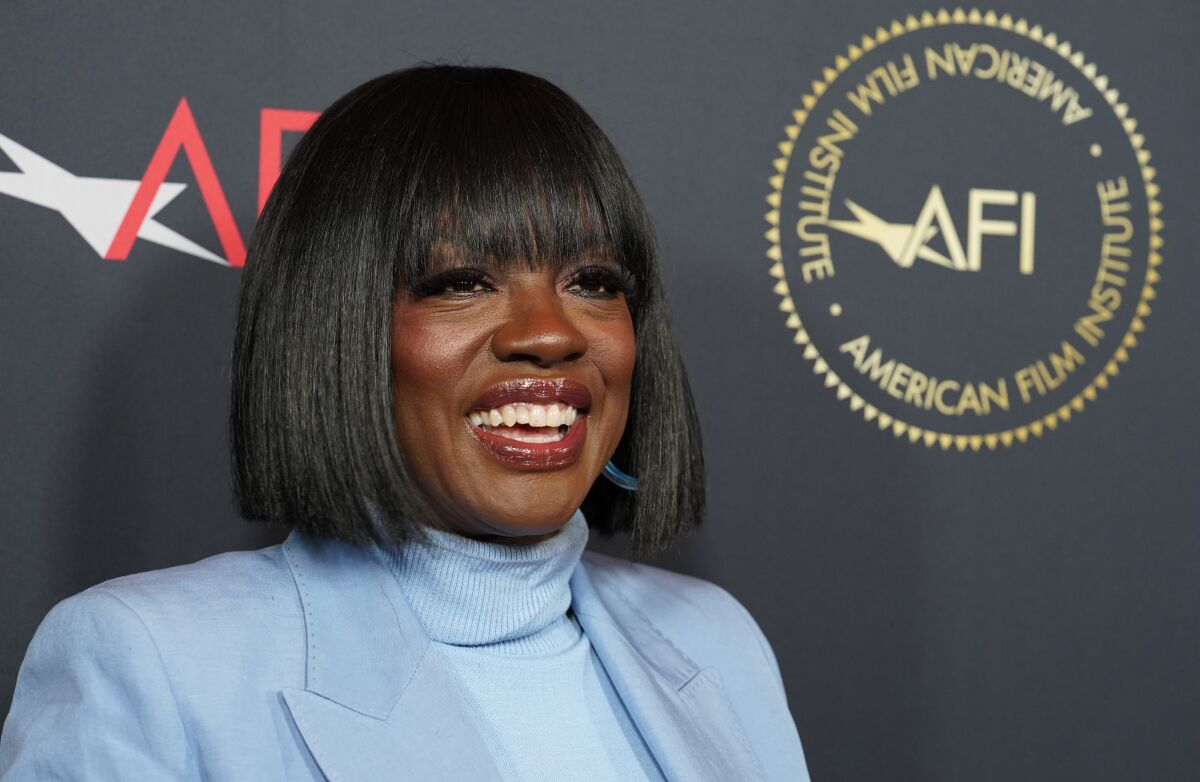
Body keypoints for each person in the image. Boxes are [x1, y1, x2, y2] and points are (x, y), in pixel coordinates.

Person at [0, 65, 810, 781]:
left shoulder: (715, 643)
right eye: (462, 280)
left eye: (594, 280)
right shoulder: (153, 667)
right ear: (336, 324)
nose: (551, 333)